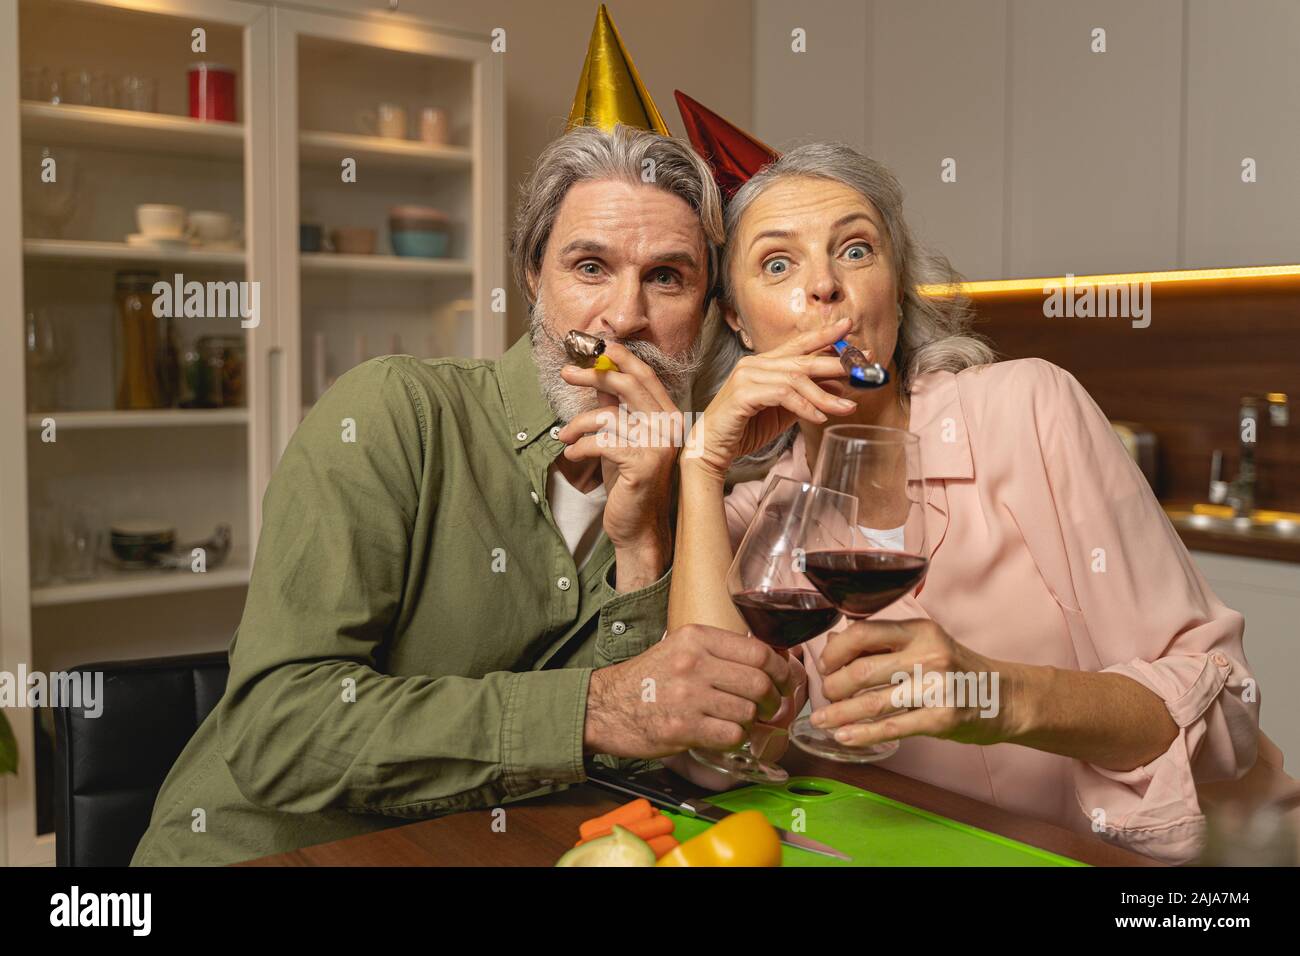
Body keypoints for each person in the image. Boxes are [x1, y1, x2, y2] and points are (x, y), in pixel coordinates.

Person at [131, 125, 797, 866]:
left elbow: (640, 764)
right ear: (532, 279)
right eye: (589, 266)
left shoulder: (686, 490)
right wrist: (598, 708)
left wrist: (642, 543)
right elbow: (280, 730)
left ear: (706, 314)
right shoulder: (394, 413)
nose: (624, 317)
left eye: (668, 277)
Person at [669, 142, 1270, 865]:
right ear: (738, 321)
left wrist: (999, 696)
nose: (824, 286)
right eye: (777, 264)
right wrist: (700, 465)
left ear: (894, 288)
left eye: (856, 250)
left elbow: (1229, 709)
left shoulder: (1029, 408)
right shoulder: (757, 515)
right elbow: (716, 748)